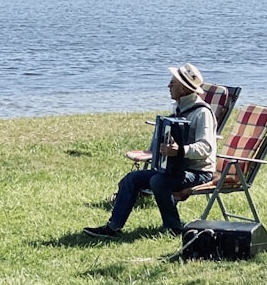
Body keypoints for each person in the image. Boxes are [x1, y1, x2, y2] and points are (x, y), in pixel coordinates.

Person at [83, 63, 217, 238]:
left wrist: (179, 151)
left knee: (158, 181)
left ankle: (174, 227)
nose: (168, 86)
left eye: (172, 83)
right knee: (131, 179)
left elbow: (206, 148)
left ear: (184, 89)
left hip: (198, 171)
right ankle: (113, 227)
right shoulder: (178, 108)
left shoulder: (202, 113)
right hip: (176, 169)